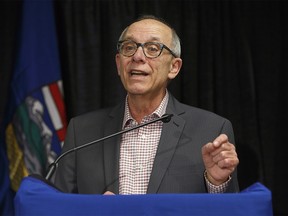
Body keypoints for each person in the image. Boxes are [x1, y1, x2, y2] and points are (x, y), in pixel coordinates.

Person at [54, 15, 239, 195]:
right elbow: (58, 207)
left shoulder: (211, 131)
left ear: (174, 67)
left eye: (152, 48)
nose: (138, 56)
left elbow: (232, 209)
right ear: (119, 64)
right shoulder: (82, 132)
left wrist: (217, 184)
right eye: (129, 47)